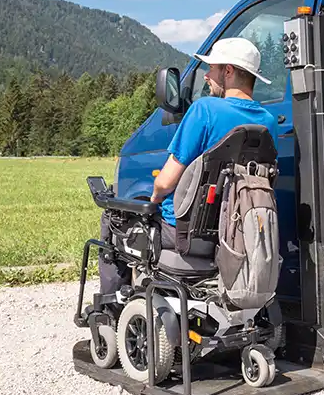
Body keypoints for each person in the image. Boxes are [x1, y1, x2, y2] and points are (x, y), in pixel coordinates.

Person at [98, 37, 279, 296]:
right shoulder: (268, 122)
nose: (206, 76)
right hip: (236, 231)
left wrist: (156, 197)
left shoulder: (204, 109)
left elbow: (165, 181)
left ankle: (110, 306)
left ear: (228, 71)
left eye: (212, 69)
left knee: (113, 219)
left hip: (184, 233)